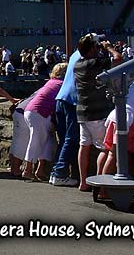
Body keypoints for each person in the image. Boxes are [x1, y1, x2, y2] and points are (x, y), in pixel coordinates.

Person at [73, 34, 121, 192]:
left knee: (84, 146)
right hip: (97, 112)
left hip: (82, 112)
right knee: (105, 149)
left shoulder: (77, 64)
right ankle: (100, 186)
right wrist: (108, 48)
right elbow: (118, 58)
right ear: (92, 48)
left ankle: (83, 181)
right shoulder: (95, 63)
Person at [99, 64, 134, 176]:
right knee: (114, 155)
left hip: (114, 115)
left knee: (107, 151)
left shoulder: (133, 83)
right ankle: (104, 189)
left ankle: (98, 184)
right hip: (127, 119)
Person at [22, 62, 66, 181]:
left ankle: (40, 170)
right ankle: (28, 169)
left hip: (32, 110)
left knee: (49, 141)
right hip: (40, 113)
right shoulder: (62, 84)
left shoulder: (51, 82)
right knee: (37, 140)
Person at [48, 48, 82, 187]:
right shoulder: (87, 57)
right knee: (72, 138)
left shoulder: (75, 55)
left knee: (63, 139)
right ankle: (60, 173)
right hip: (72, 101)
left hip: (61, 99)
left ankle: (55, 171)